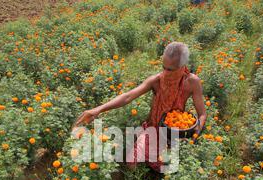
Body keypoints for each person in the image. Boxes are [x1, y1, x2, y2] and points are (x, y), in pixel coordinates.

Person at [73, 42, 207, 171]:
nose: (165, 73)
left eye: (170, 70)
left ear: (183, 67)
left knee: (172, 168)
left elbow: (202, 114)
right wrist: (99, 109)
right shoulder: (156, 81)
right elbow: (128, 96)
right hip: (153, 128)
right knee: (132, 162)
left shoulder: (191, 82)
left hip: (177, 132)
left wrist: (196, 130)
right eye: (163, 67)